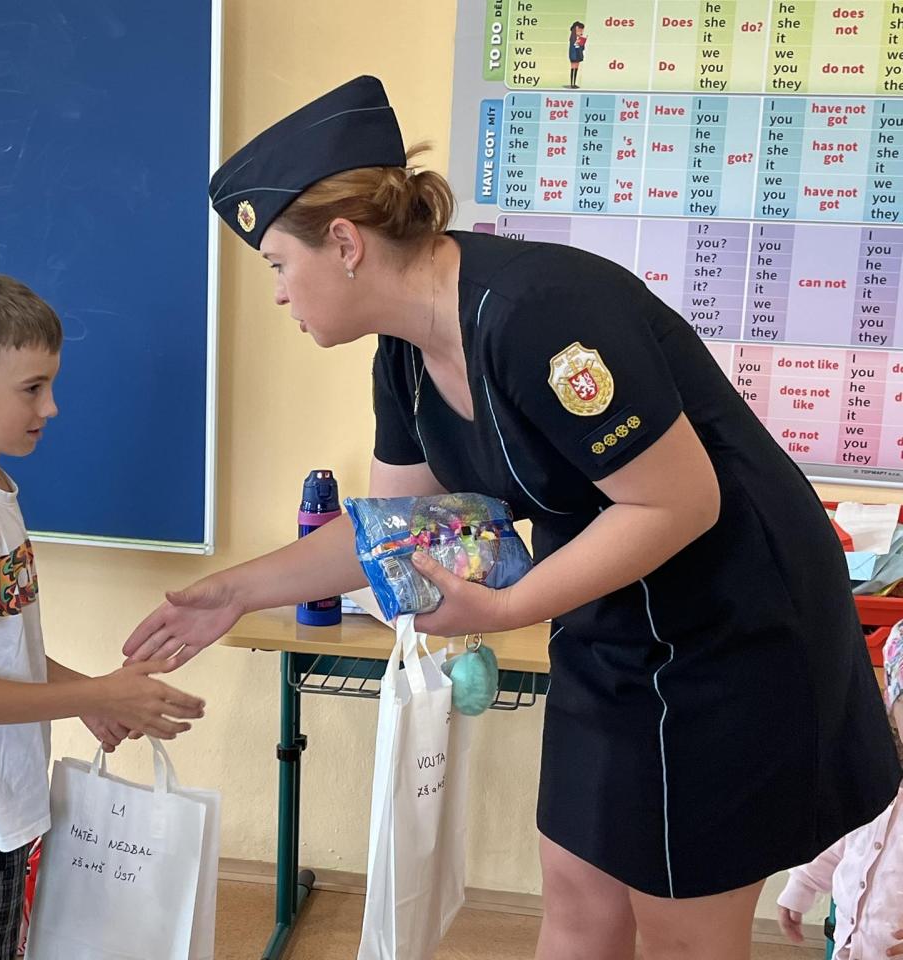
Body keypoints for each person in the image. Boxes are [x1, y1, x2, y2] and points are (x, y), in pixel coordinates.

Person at [122, 76, 900, 960]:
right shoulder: (404, 359)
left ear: (343, 242)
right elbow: (398, 528)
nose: (277, 295)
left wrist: (501, 609)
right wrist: (235, 591)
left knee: (680, 928)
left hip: (733, 629)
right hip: (610, 622)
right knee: (575, 892)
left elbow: (681, 501)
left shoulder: (538, 315)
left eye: (276, 265)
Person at [0, 273, 204, 960]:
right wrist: (98, 694)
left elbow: (2, 653)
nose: (51, 407)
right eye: (32, 388)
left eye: (50, 385)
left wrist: (90, 697)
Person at [775, 622, 903, 959]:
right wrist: (802, 884)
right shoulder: (877, 777)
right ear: (892, 708)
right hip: (851, 946)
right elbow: (843, 838)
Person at [568, 21, 586, 89]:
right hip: (574, 55)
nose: (581, 32)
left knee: (576, 68)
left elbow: (582, 48)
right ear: (576, 28)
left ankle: (574, 83)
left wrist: (582, 43)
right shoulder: (573, 38)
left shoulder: (578, 38)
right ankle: (572, 84)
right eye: (580, 30)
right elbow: (575, 46)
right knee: (573, 68)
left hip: (578, 55)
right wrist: (580, 43)